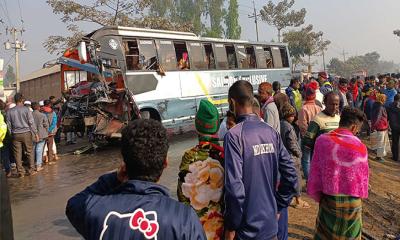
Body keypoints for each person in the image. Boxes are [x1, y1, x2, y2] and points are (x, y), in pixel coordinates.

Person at [66, 119, 206, 240]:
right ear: (165, 162)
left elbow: (73, 205)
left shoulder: (95, 209)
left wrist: (113, 178)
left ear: (124, 164)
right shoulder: (184, 218)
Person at [224, 80, 297, 240]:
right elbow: (291, 175)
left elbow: (235, 189)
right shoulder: (271, 132)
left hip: (246, 230)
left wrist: (231, 226)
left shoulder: (234, 136)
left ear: (232, 102)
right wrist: (278, 207)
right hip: (270, 227)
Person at [307, 107, 369, 239]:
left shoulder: (322, 140)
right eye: (357, 130)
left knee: (324, 235)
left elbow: (316, 170)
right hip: (353, 202)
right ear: (353, 127)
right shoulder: (360, 147)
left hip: (330, 198)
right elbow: (362, 179)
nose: (357, 133)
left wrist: (318, 195)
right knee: (351, 235)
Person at [177, 99, 224, 240]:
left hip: (195, 230)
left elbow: (182, 196)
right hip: (223, 230)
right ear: (217, 126)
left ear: (197, 127)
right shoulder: (225, 155)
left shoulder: (189, 156)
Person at [302, 92, 340, 181]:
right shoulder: (317, 120)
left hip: (337, 162)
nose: (334, 107)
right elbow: (308, 142)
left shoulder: (339, 119)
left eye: (336, 104)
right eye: (331, 104)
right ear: (325, 103)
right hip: (323, 163)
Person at [280, 103, 310, 209]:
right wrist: (299, 153)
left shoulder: (281, 124)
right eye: (292, 115)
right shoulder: (288, 127)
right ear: (288, 115)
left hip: (285, 156)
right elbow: (292, 143)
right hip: (292, 157)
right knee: (297, 178)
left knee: (288, 179)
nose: (293, 117)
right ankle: (298, 200)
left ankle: (291, 198)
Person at [6, 93, 38, 177]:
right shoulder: (26, 109)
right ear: (21, 100)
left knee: (17, 153)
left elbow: (8, 126)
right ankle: (31, 169)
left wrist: (11, 135)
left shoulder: (9, 111)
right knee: (29, 151)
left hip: (15, 134)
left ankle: (20, 172)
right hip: (26, 133)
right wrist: (36, 133)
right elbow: (31, 123)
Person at [371, 93, 389, 163]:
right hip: (381, 127)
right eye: (384, 99)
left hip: (381, 126)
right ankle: (379, 157)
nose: (385, 100)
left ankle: (379, 155)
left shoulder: (376, 105)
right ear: (382, 99)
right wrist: (374, 126)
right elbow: (377, 118)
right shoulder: (380, 107)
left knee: (380, 141)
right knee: (381, 142)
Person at [31, 102, 49, 171]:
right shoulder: (42, 115)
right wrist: (47, 132)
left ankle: (32, 165)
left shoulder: (29, 115)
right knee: (39, 149)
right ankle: (38, 165)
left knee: (33, 149)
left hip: (32, 135)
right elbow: (46, 125)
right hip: (42, 135)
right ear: (38, 107)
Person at [42, 100, 58, 165]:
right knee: (50, 146)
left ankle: (44, 159)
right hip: (51, 132)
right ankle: (50, 160)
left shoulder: (41, 112)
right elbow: (54, 122)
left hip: (43, 132)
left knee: (43, 146)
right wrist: (49, 129)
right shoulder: (53, 112)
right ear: (49, 105)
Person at [387, 93, 400, 162]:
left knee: (395, 142)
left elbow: (387, 117)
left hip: (393, 126)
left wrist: (388, 124)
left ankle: (395, 157)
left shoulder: (389, 106)